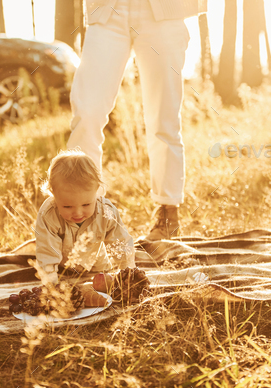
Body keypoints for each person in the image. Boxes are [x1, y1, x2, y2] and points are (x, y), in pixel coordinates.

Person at [67, 0, 207, 241]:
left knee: (164, 118)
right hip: (108, 10)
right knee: (87, 113)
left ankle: (167, 215)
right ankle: (81, 218)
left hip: (164, 11)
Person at [35, 149, 136, 284]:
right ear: (53, 194)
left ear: (96, 190)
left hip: (98, 268)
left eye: (86, 204)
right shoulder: (48, 216)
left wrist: (129, 274)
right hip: (62, 270)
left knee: (104, 291)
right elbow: (47, 253)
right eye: (67, 206)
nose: (77, 213)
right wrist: (51, 284)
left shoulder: (106, 212)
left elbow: (121, 244)